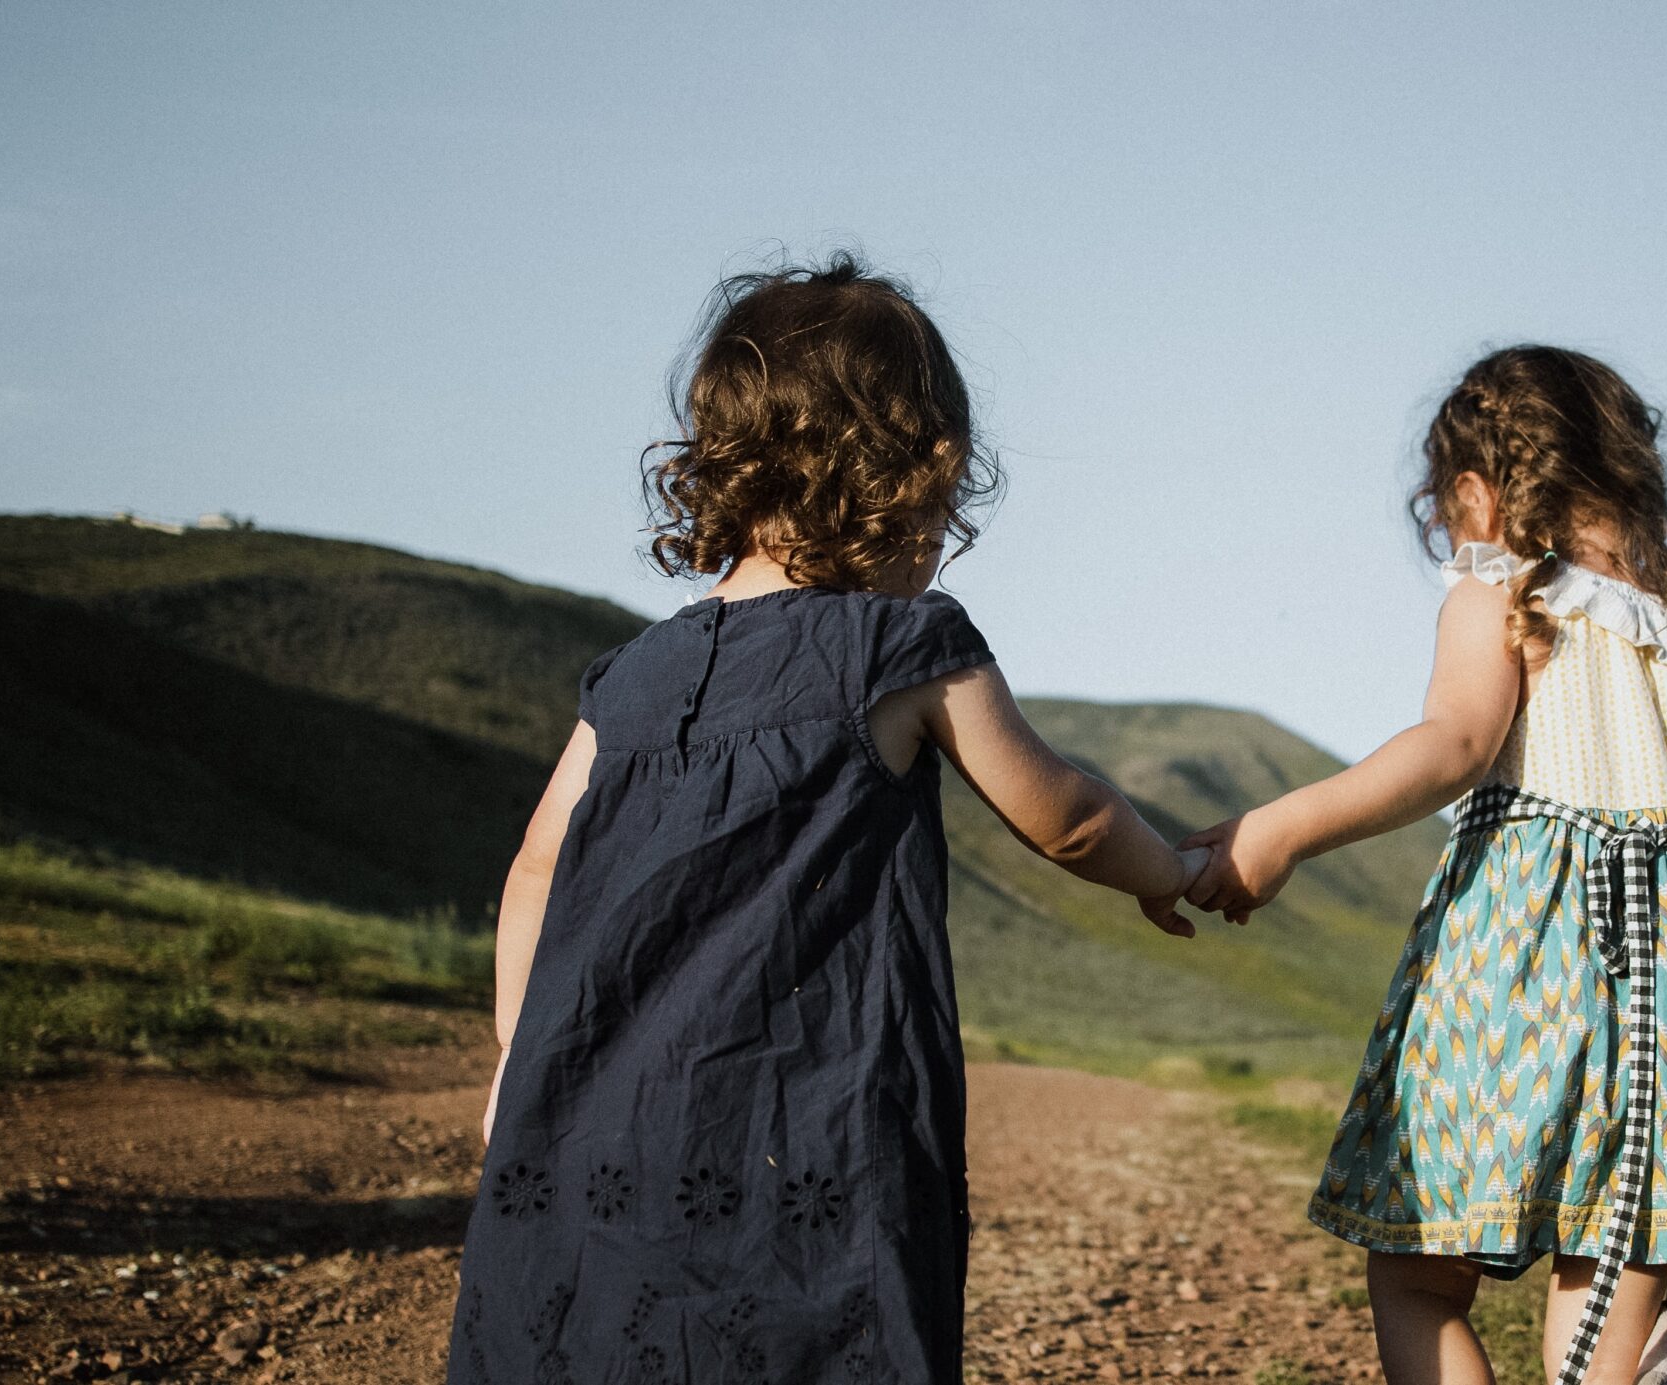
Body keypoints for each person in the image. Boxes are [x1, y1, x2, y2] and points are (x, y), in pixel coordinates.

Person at [449, 256, 1206, 1385]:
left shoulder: (632, 678)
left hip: (595, 1116)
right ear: (920, 471)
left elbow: (534, 863)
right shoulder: (901, 648)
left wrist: (520, 1058)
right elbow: (1069, 817)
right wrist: (1169, 867)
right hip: (807, 1125)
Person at [1184, 346, 1667, 1385]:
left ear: (1475, 491)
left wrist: (1279, 829)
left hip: (1521, 983)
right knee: (1602, 1296)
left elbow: (1451, 744)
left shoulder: (1502, 596)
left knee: (1417, 1272)